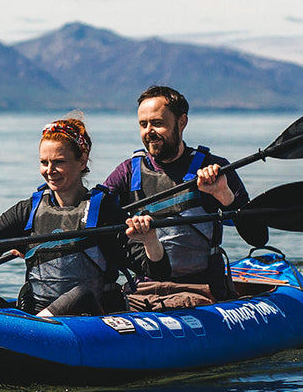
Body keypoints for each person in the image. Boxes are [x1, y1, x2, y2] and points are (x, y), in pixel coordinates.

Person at [0, 115, 169, 316]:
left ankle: (25, 334)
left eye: (59, 162)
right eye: (44, 162)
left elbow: (157, 270)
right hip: (37, 315)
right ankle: (5, 330)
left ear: (82, 162)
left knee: (79, 294)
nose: (49, 170)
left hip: (90, 315)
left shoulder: (105, 210)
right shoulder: (28, 210)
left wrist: (150, 239)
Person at [104, 86, 249, 304]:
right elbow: (93, 218)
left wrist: (224, 195)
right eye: (143, 124)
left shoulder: (214, 169)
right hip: (143, 288)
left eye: (158, 123)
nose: (149, 131)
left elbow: (257, 236)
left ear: (182, 122)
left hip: (201, 289)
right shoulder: (128, 172)